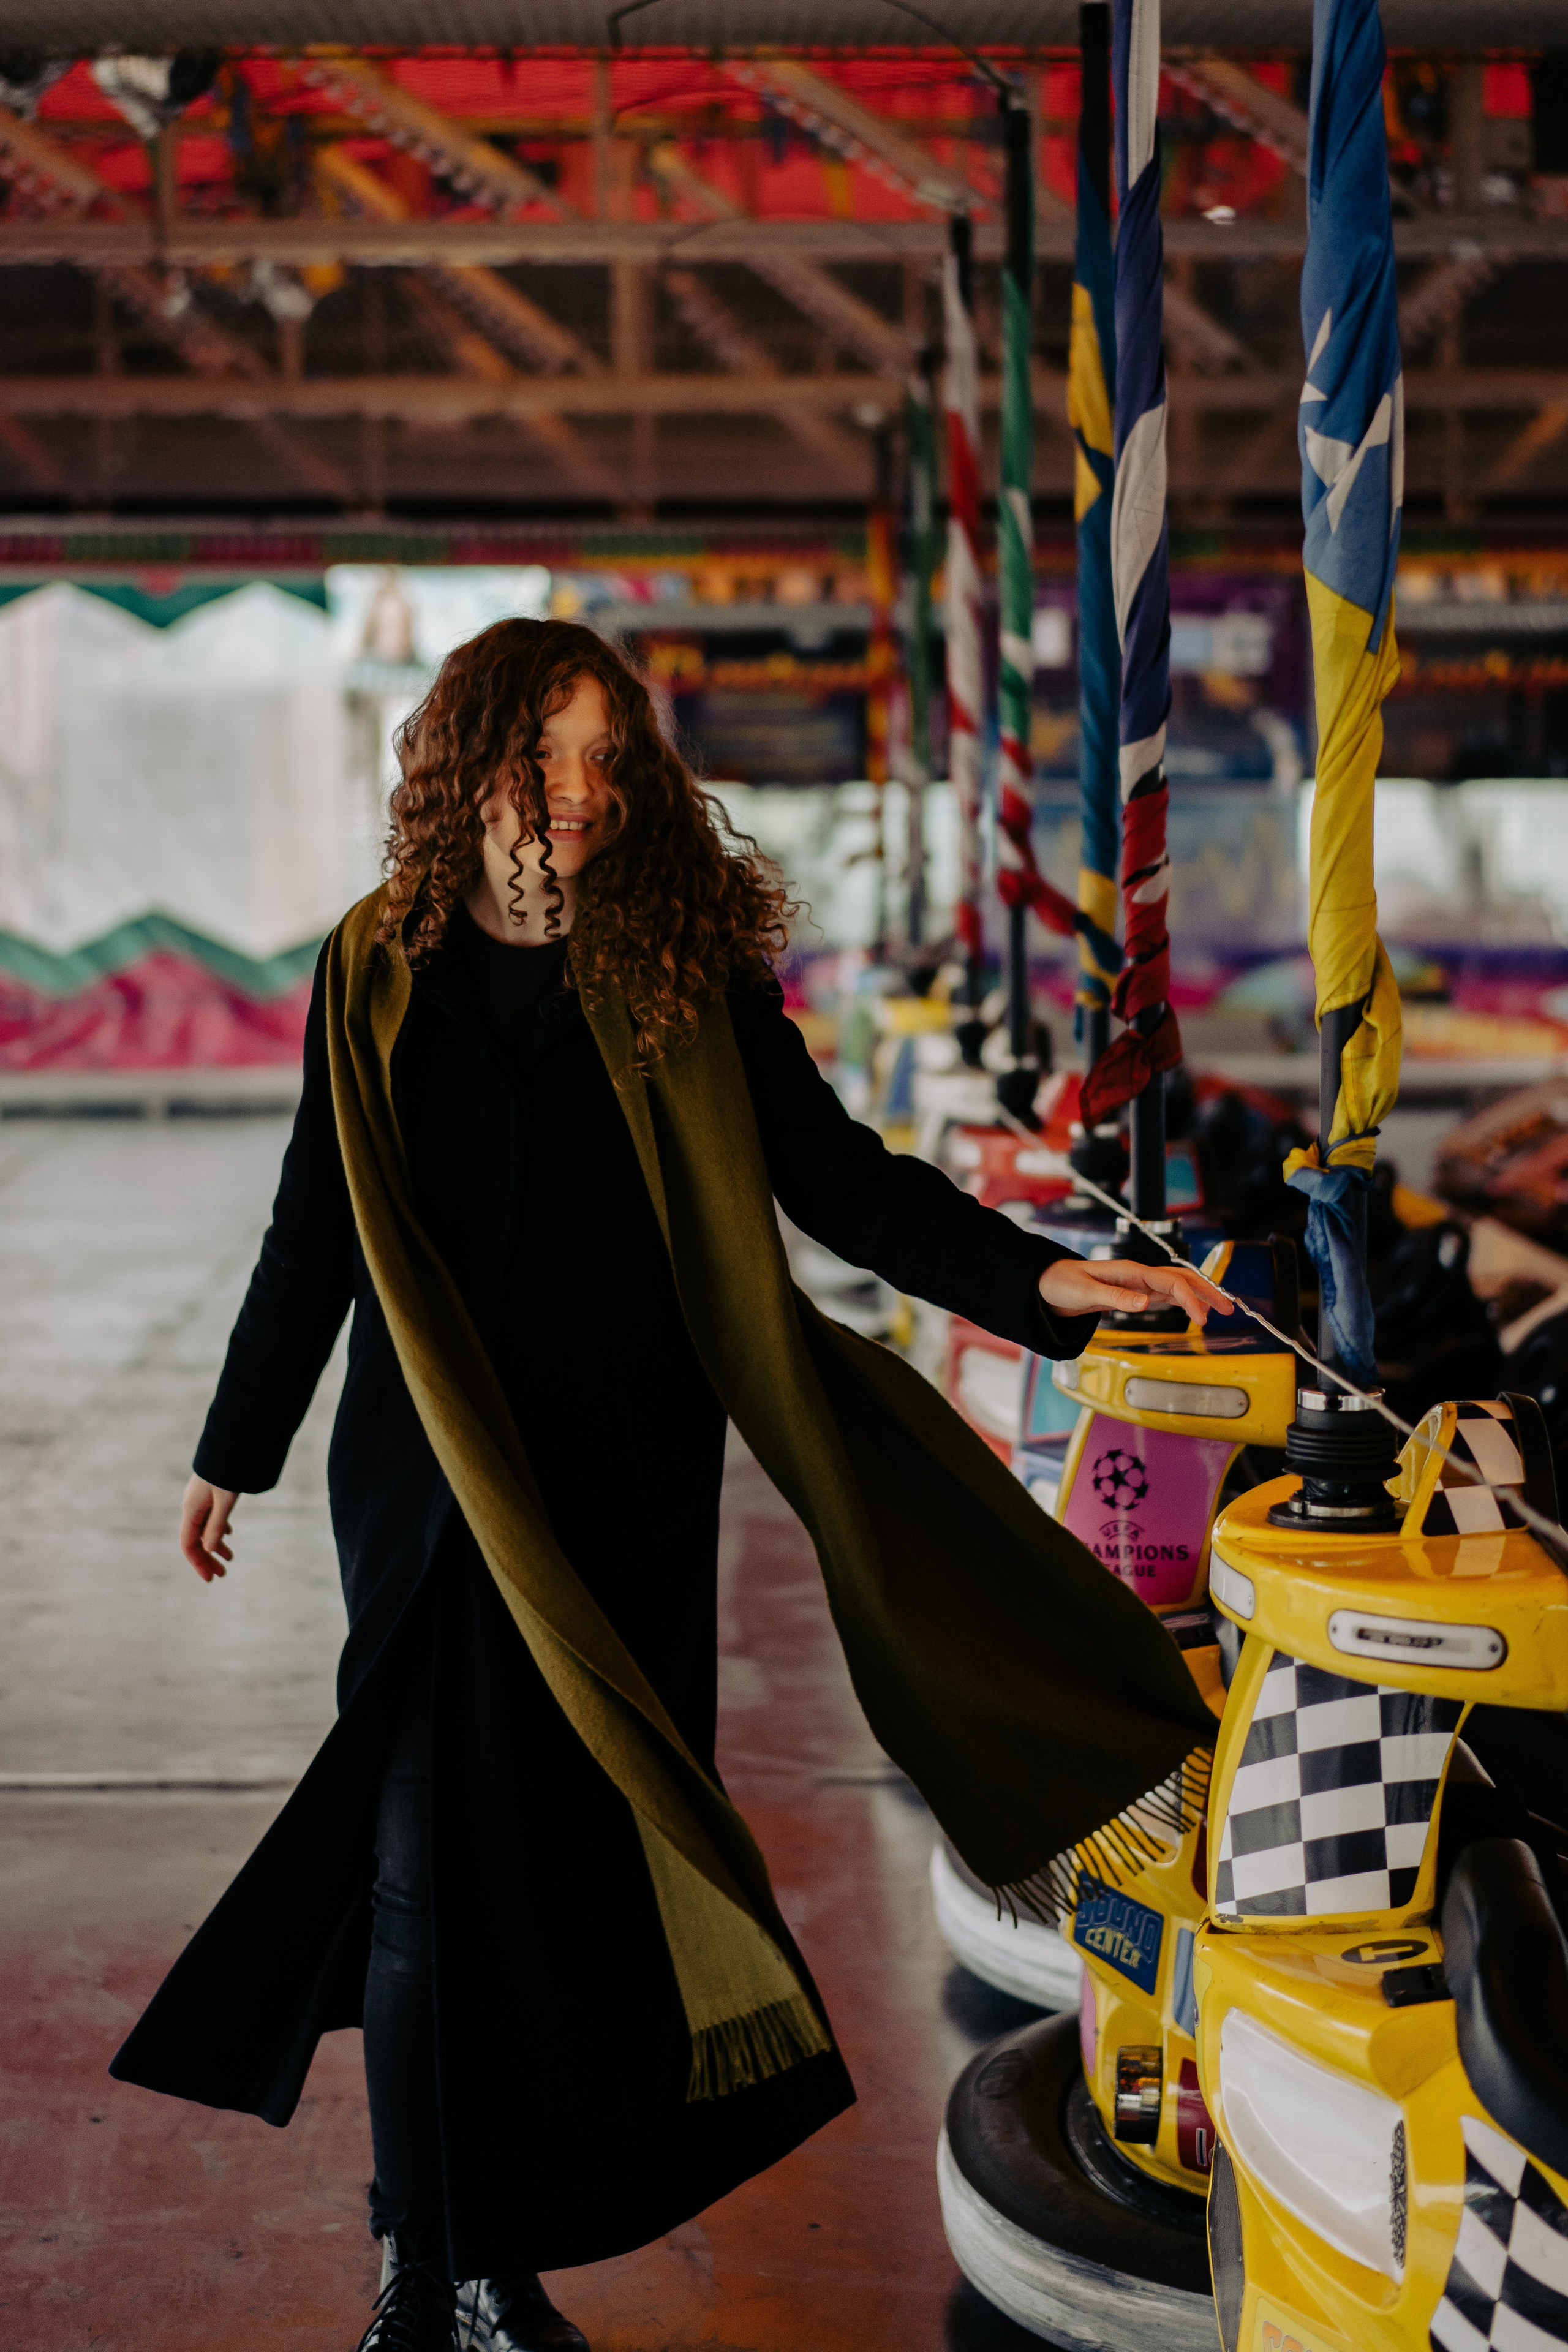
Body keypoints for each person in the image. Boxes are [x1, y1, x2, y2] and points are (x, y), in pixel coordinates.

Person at [110, 619, 1227, 2352]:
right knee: (421, 1877)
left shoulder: (677, 967)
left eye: (607, 760)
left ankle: (493, 2261)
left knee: (557, 1878)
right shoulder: (374, 967)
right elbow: (313, 1231)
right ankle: (428, 2269)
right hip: (429, 1493)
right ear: (466, 762)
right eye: (544, 755)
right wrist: (228, 1450)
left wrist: (1038, 1289)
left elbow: (836, 1182)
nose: (581, 793)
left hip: (624, 1484)